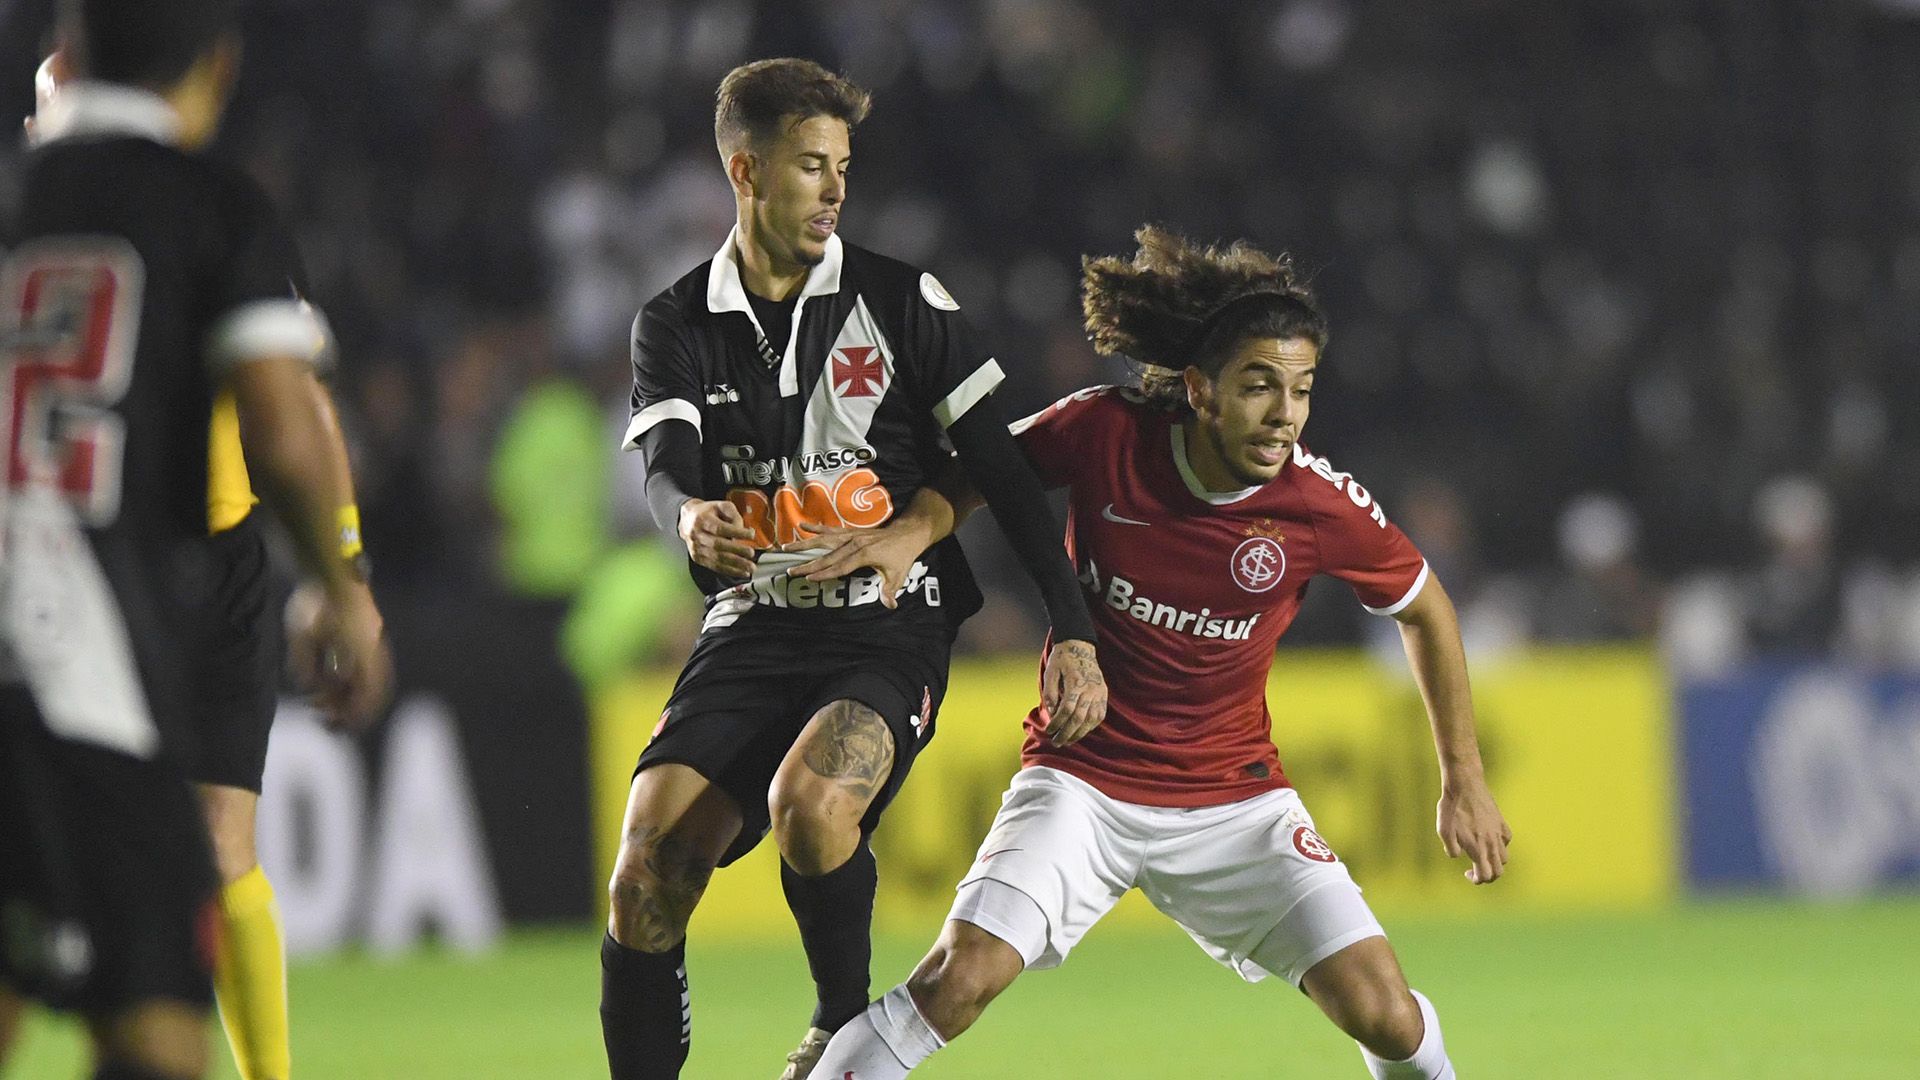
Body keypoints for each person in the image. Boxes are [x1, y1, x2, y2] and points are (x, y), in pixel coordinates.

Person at [803, 226, 1512, 1079]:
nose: (1284, 414)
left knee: (1386, 1017)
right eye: (1259, 386)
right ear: (1201, 390)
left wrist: (1464, 778)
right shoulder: (1106, 430)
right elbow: (987, 469)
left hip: (1235, 803)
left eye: (1300, 390)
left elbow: (1427, 610)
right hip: (1082, 783)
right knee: (957, 980)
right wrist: (911, 532)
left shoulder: (1318, 505)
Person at [604, 58, 1106, 1080]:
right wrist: (689, 516)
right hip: (755, 622)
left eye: (842, 166)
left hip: (887, 621)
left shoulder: (900, 298)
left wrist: (1072, 626)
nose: (835, 188)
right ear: (745, 172)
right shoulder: (676, 320)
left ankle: (840, 1028)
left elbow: (1002, 469)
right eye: (810, 166)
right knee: (644, 880)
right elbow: (667, 468)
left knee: (811, 803)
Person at [0, 3, 391, 1078]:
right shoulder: (208, 205)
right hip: (106, 607)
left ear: (72, 62)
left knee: (205, 854)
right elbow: (288, 419)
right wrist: (340, 582)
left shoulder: (18, 199)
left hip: (168, 573)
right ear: (216, 69)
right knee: (155, 1011)